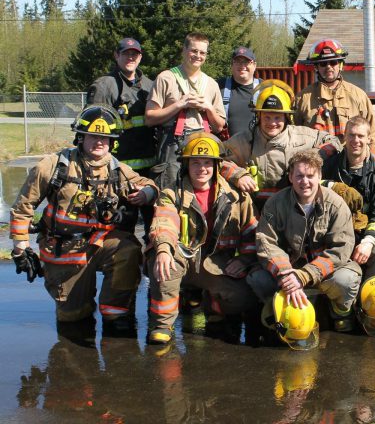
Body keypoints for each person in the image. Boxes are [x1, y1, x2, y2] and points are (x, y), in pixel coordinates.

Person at [9, 106, 157, 334]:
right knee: (73, 318)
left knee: (127, 249)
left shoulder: (117, 170)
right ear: (81, 137)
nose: (99, 142)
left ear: (112, 142)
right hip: (63, 248)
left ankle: (115, 314)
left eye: (105, 138)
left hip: (100, 244)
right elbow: (23, 205)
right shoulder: (54, 166)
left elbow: (150, 186)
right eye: (94, 136)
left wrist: (146, 194)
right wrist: (21, 247)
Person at [146, 132, 259, 345]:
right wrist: (162, 249)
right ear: (186, 165)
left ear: (217, 166)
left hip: (216, 263)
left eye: (207, 163)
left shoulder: (235, 196)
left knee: (244, 298)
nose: (202, 168)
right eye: (195, 163)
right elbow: (164, 222)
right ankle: (162, 324)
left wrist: (244, 259)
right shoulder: (172, 194)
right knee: (162, 262)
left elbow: (251, 232)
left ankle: (213, 305)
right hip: (182, 259)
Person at [247, 149, 362, 332]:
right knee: (258, 279)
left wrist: (305, 275)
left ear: (320, 176)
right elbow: (266, 244)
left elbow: (340, 250)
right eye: (299, 175)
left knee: (346, 280)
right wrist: (286, 274)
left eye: (310, 176)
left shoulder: (336, 204)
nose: (305, 182)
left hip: (324, 272)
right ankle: (281, 308)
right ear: (290, 176)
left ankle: (339, 310)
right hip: (289, 269)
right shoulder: (275, 204)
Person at [221, 79, 341, 214]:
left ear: (286, 117)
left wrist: (312, 157)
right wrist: (238, 175)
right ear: (258, 116)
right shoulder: (244, 140)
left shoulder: (301, 136)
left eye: (277, 117)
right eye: (267, 117)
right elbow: (217, 159)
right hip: (257, 211)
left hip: (294, 211)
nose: (272, 123)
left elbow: (333, 141)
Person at [87, 37, 156, 238]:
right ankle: (120, 267)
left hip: (149, 171)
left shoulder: (151, 86)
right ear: (117, 55)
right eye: (126, 53)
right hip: (117, 171)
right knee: (120, 230)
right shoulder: (104, 86)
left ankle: (151, 266)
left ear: (140, 57)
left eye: (135, 54)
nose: (130, 57)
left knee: (154, 227)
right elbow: (94, 130)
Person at [145, 32, 226, 189]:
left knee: (199, 192)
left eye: (202, 52)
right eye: (194, 51)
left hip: (202, 144)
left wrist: (209, 108)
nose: (198, 56)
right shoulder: (166, 78)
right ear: (184, 50)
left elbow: (219, 126)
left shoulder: (211, 84)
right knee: (169, 191)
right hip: (172, 145)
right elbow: (149, 118)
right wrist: (179, 104)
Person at [322, 116, 375, 280]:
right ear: (344, 137)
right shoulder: (330, 165)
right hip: (332, 233)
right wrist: (332, 186)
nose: (356, 140)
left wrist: (368, 242)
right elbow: (310, 185)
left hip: (363, 235)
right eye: (351, 135)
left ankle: (372, 301)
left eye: (361, 136)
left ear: (369, 139)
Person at [294, 38, 375, 157]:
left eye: (333, 62)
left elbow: (373, 134)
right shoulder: (303, 99)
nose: (329, 67)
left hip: (350, 166)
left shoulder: (358, 96)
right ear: (316, 67)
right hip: (315, 168)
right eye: (323, 64)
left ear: (340, 65)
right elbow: (293, 136)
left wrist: (370, 166)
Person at [218, 46, 260, 139]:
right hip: (227, 149)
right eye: (237, 61)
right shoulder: (219, 86)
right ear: (232, 65)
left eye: (246, 61)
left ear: (254, 65)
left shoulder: (265, 88)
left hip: (257, 150)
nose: (242, 65)